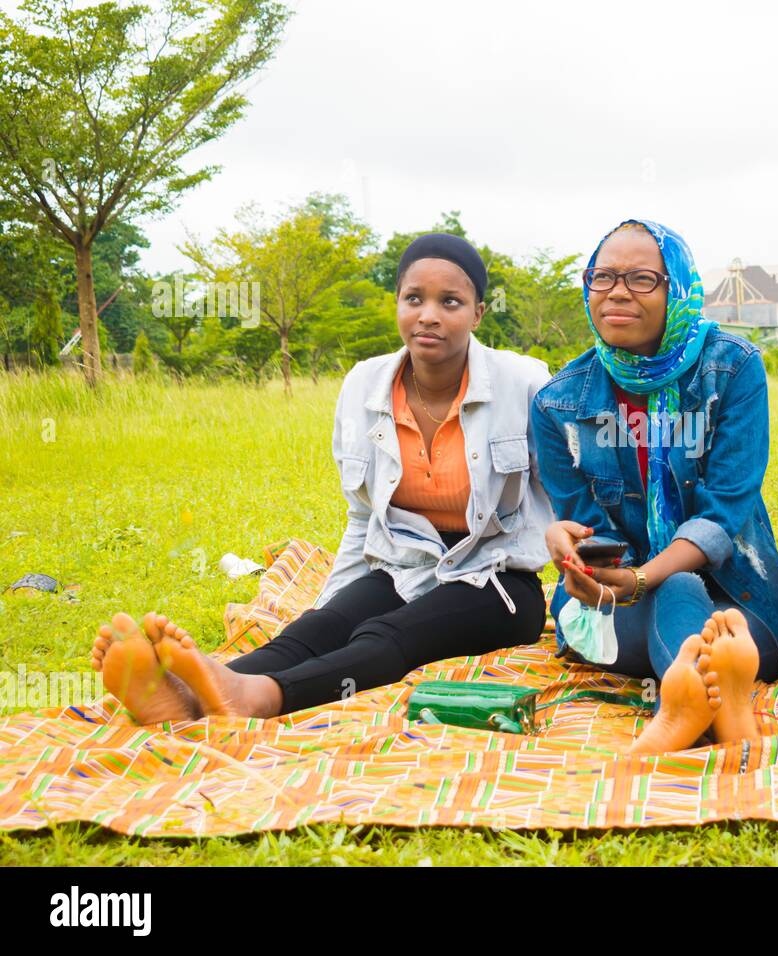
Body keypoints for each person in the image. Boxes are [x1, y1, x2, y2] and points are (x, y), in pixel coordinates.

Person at [91, 233, 552, 722]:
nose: (428, 315)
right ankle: (185, 692)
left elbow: (568, 496)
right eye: (413, 298)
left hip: (496, 581)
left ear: (478, 313)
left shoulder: (523, 384)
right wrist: (334, 604)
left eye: (450, 302)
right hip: (405, 563)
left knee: (389, 636)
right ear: (397, 302)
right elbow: (361, 517)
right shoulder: (364, 386)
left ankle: (260, 697)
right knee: (322, 626)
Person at [531, 218, 778, 754]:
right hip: (613, 609)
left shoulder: (733, 369)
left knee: (678, 586)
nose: (617, 293)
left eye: (641, 279)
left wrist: (644, 577)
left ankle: (685, 709)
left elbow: (724, 512)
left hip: (737, 602)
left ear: (677, 287)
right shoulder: (557, 402)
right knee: (673, 590)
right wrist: (572, 547)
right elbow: (589, 527)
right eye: (602, 278)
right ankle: (720, 707)